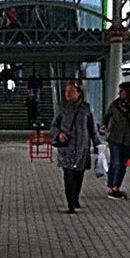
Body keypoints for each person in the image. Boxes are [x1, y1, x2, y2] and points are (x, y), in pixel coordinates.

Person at [51, 81, 100, 214]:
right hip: (67, 147)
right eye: (66, 91)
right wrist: (59, 134)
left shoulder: (86, 108)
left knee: (79, 174)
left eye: (71, 91)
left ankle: (75, 197)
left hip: (82, 147)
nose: (67, 93)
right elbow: (54, 125)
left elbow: (92, 127)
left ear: (79, 92)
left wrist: (97, 143)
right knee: (69, 175)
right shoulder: (62, 107)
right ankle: (71, 203)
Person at [102, 81, 130, 199]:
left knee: (122, 164)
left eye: (122, 91)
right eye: (119, 91)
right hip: (115, 137)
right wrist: (106, 125)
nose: (119, 93)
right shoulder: (115, 104)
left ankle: (117, 187)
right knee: (115, 162)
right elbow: (107, 115)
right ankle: (111, 187)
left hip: (128, 139)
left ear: (128, 93)